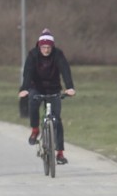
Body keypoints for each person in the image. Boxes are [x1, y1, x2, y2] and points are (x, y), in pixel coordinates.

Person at [18, 28, 76, 165]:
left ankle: (60, 153)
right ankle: (35, 129)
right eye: (43, 47)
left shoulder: (58, 54)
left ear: (52, 46)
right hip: (36, 87)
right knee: (32, 102)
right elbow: (28, 72)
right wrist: (25, 89)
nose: (46, 50)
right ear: (39, 46)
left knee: (57, 121)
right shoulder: (33, 55)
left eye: (48, 47)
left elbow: (65, 70)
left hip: (53, 89)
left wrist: (70, 87)